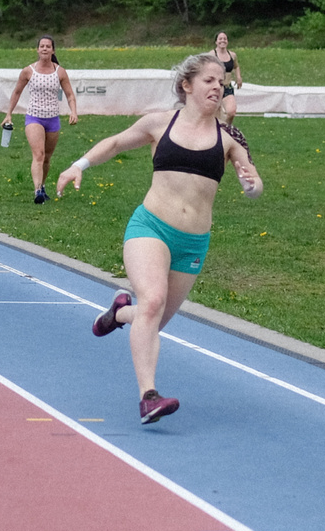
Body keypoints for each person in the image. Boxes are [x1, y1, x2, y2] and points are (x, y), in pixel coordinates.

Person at [56, 53, 263, 424]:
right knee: (151, 302)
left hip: (193, 244)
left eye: (221, 82)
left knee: (151, 320)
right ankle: (148, 396)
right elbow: (116, 143)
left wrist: (251, 187)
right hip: (150, 228)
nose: (218, 87)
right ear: (187, 86)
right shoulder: (159, 124)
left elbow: (254, 181)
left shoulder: (229, 137)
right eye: (210, 80)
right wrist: (77, 166)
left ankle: (119, 313)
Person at [2, 34, 80, 203]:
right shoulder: (28, 71)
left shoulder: (60, 72)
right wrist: (9, 114)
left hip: (52, 119)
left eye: (48, 46)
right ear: (37, 50)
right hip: (34, 118)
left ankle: (43, 186)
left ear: (53, 50)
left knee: (47, 157)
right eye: (42, 46)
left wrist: (73, 111)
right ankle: (37, 190)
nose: (45, 49)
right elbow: (16, 92)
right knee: (38, 154)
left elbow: (69, 95)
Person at [212, 31, 242, 125]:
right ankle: (217, 131)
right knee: (216, 115)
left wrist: (238, 77)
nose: (223, 41)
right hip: (215, 88)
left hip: (227, 87)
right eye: (220, 39)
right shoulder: (212, 55)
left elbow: (236, 66)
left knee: (231, 112)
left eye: (225, 39)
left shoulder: (232, 55)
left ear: (227, 41)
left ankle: (227, 128)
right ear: (216, 42)